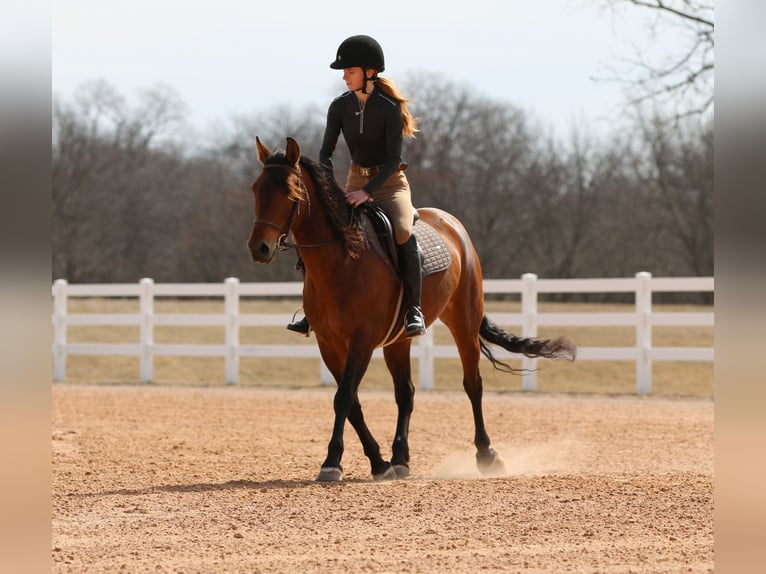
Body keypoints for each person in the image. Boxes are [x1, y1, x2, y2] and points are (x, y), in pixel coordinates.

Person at [287, 34, 426, 338]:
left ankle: (414, 308)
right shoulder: (338, 107)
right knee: (321, 228)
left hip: (389, 183)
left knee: (402, 230)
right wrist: (328, 188)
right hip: (353, 178)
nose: (344, 77)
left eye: (349, 71)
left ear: (370, 72)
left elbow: (393, 159)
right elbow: (325, 152)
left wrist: (367, 192)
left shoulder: (388, 107)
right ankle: (311, 310)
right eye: (344, 72)